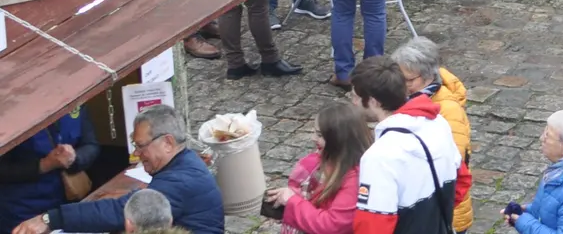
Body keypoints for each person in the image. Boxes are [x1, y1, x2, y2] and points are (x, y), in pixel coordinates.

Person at [13, 106, 220, 234]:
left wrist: (50, 219)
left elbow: (118, 213)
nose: (137, 153)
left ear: (167, 142)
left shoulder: (179, 181)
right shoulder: (185, 164)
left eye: (141, 145)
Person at [349, 56, 469, 234]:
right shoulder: (438, 123)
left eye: (356, 97)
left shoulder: (379, 157)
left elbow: (373, 225)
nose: (353, 102)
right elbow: (462, 181)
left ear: (374, 101)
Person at [390, 39, 472, 234]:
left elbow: (451, 164)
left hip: (446, 212)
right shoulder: (409, 98)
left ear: (428, 75)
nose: (403, 86)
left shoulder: (448, 110)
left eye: (409, 80)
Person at [266, 102, 370, 234]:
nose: (313, 138)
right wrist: (290, 199)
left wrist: (293, 202)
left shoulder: (355, 179)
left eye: (320, 135)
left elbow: (332, 226)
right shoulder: (330, 162)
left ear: (339, 139)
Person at [0, 107, 101, 232]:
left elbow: (91, 145)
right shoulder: (9, 110)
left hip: (66, 202)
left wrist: (73, 158)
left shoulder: (74, 101)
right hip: (22, 208)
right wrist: (44, 165)